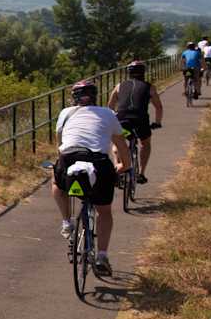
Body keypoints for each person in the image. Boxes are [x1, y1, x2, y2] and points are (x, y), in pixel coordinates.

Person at [52, 79, 130, 276]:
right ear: (95, 97)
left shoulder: (65, 113)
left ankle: (66, 223)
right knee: (104, 212)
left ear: (74, 98)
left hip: (69, 157)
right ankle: (102, 255)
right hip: (99, 162)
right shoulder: (108, 114)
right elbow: (121, 144)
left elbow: (60, 144)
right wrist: (124, 165)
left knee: (57, 184)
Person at [108, 60, 164, 184]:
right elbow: (159, 107)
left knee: (118, 141)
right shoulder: (150, 87)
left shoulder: (119, 86)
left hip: (122, 119)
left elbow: (110, 105)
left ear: (129, 73)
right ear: (143, 72)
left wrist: (110, 119)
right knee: (145, 143)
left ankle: (117, 165)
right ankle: (141, 173)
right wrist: (157, 122)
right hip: (140, 120)